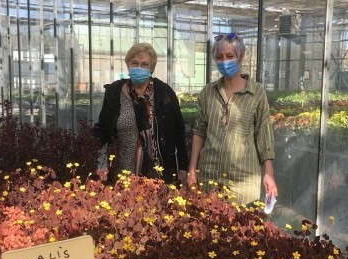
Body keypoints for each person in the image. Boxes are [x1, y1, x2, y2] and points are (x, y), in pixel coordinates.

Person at [186, 33, 278, 205]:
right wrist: (192, 169)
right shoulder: (207, 92)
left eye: (229, 56)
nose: (224, 61)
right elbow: (199, 132)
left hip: (243, 181)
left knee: (241, 227)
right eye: (219, 57)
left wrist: (268, 173)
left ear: (240, 56)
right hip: (210, 178)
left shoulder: (256, 93)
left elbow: (264, 134)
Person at [92, 43, 188, 185]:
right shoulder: (114, 92)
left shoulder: (165, 93)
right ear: (128, 65)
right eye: (134, 63)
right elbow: (103, 129)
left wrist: (183, 166)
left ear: (151, 68)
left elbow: (179, 131)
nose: (139, 68)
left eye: (144, 64)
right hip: (123, 174)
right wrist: (101, 164)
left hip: (159, 174)